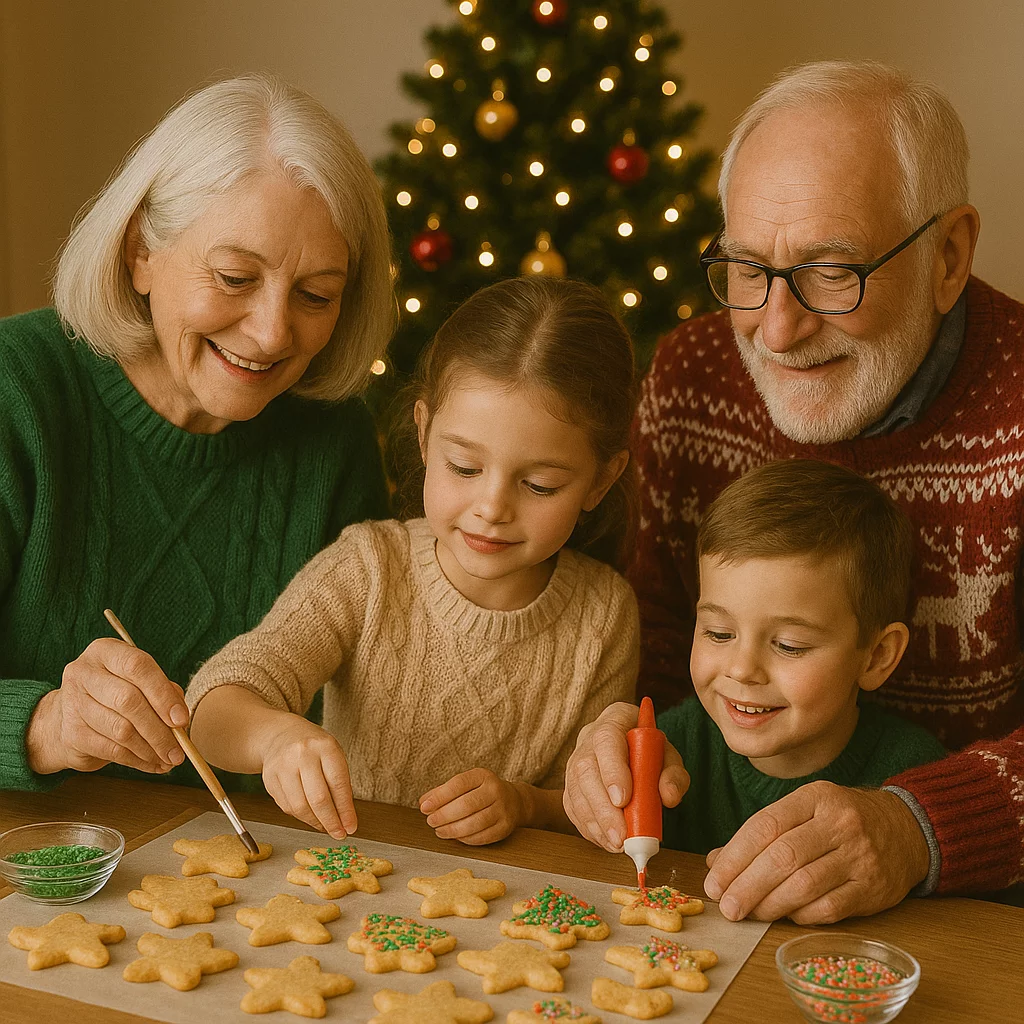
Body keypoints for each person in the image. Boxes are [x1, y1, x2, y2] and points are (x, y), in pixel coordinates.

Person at [564, 60, 1024, 923]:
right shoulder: (692, 374)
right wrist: (619, 730)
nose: (776, 329)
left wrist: (915, 828)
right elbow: (664, 641)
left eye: (830, 272)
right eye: (747, 269)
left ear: (950, 256)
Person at [0, 74, 395, 793]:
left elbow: (376, 715)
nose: (274, 332)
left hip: (248, 885)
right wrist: (47, 724)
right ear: (139, 252)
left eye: (316, 295)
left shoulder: (335, 443)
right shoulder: (16, 389)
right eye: (235, 277)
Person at [185, 276, 640, 845]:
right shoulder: (370, 568)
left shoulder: (604, 615)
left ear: (601, 479)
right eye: (465, 469)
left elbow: (590, 805)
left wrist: (523, 803)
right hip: (350, 882)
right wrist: (276, 739)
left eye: (540, 484)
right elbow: (211, 708)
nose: (492, 508)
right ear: (425, 438)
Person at [586, 460, 946, 860]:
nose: (741, 669)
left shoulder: (918, 779)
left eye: (789, 645)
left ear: (877, 657)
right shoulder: (672, 747)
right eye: (718, 633)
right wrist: (532, 804)